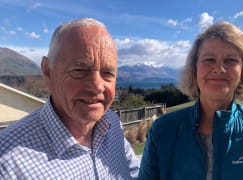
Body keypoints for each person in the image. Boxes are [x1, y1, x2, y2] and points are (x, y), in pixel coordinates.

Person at [139, 21, 243, 180]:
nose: (219, 68)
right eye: (209, 59)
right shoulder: (163, 131)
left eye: (231, 60)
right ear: (194, 69)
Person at [0, 18, 139, 179]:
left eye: (107, 73)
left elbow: (134, 173)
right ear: (48, 72)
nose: (97, 86)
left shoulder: (112, 124)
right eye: (79, 70)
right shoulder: (7, 164)